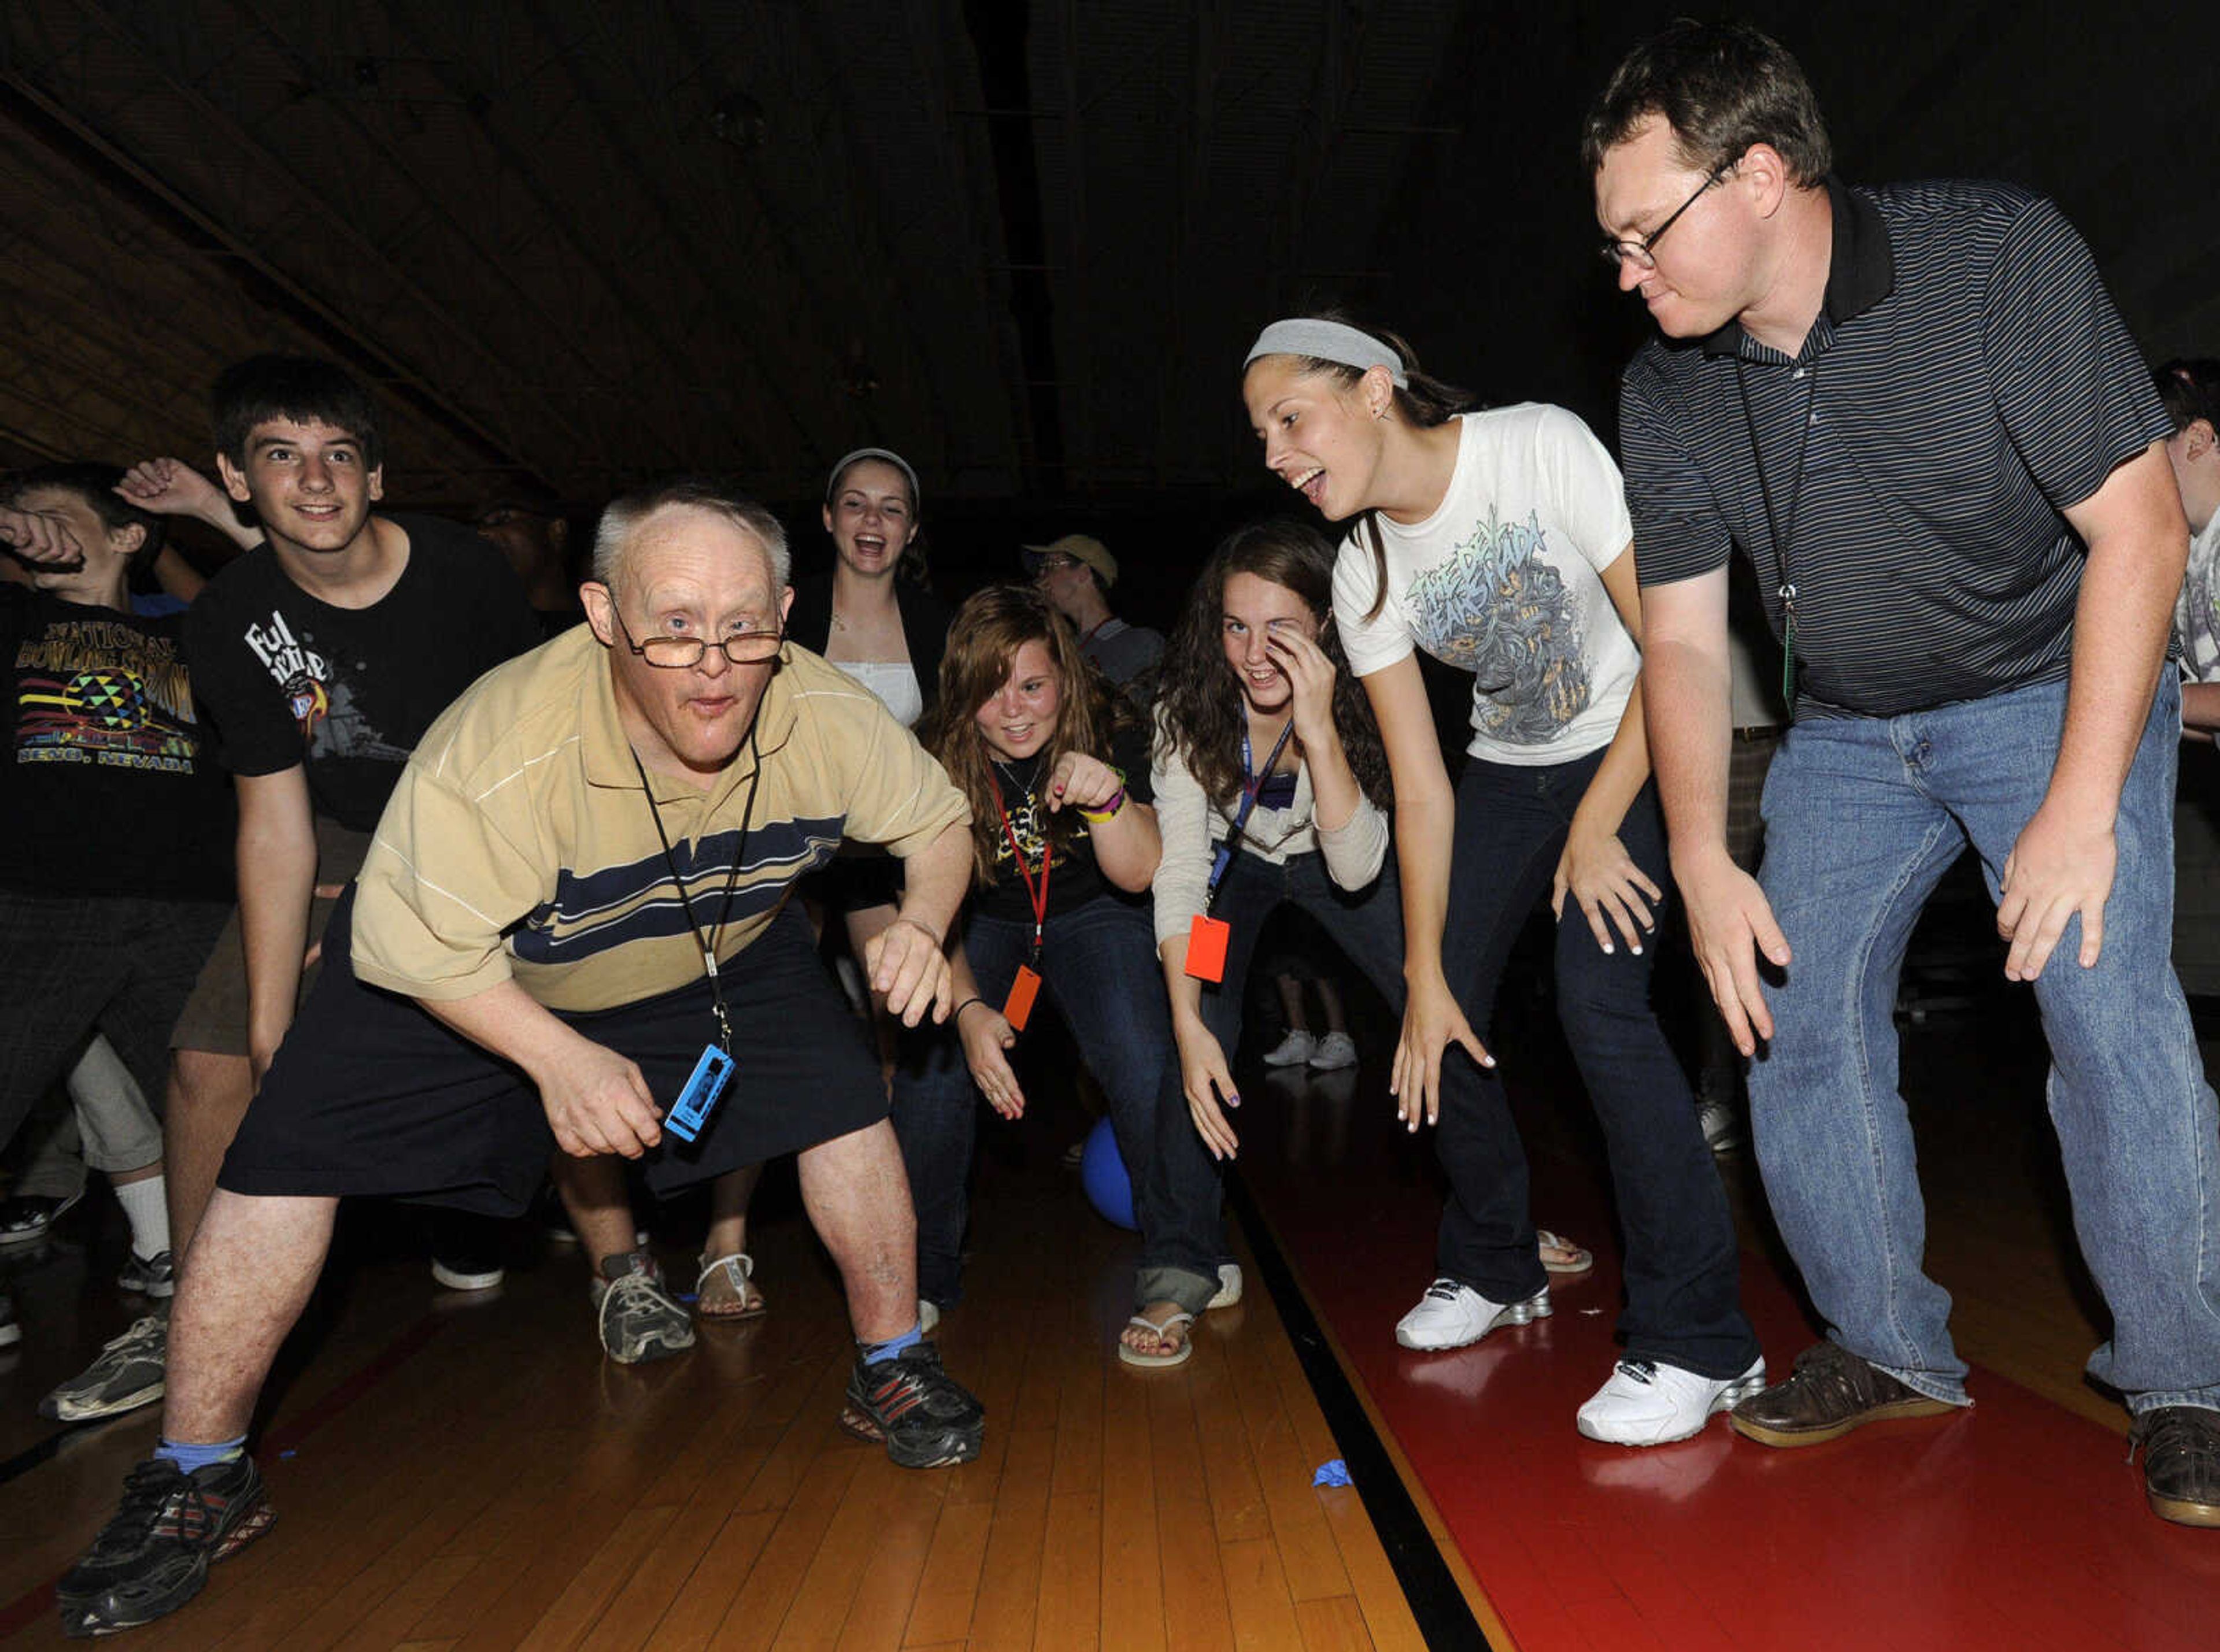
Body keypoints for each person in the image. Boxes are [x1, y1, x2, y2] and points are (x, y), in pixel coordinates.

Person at [57, 476, 989, 1638]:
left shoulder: (825, 711)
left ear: (785, 613)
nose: (713, 662)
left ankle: (891, 1362)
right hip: (467, 965)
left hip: (711, 941)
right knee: (279, 1157)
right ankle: (199, 1473)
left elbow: (938, 821)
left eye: (745, 626)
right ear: (602, 614)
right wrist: (556, 1057)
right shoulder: (507, 745)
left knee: (847, 1099)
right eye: (676, 625)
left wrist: (920, 919)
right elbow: (408, 943)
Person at [1586, 20, 2220, 1521]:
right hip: (1855, 731)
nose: (1625, 274)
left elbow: (2143, 527)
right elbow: (1678, 646)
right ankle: (1884, 1345)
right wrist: (1699, 853)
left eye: (1642, 233)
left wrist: (2077, 808)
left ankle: (2190, 1378)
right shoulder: (1671, 391)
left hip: (2051, 686)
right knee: (1788, 1018)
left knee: (2101, 990)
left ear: (1757, 173)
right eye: (1610, 245)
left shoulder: (1993, 262)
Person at [1240, 316, 1761, 1447]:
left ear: (1376, 389)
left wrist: (1596, 822)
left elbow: (1679, 650)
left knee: (1598, 1001)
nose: (1275, 452)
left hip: (1642, 731)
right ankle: (1496, 1258)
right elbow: (1422, 792)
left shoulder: (1538, 447)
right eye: (1261, 436)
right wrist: (1424, 972)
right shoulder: (1365, 566)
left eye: (1291, 419)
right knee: (1437, 1010)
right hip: (1511, 775)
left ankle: (1702, 1338)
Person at [119, 358, 541, 1307]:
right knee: (209, 1061)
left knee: (508, 1056)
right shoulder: (227, 616)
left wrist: (409, 893)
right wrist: (269, 1029)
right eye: (282, 454)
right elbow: (275, 822)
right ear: (235, 478)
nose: (315, 480)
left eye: (338, 454)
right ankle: (197, 1315)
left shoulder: (464, 572)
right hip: (343, 830)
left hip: (489, 826)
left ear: (375, 476)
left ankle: (602, 1259)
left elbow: (543, 753)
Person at [890, 584, 1196, 1364]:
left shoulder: (1119, 725)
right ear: (963, 691)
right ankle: (923, 1276)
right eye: (991, 691)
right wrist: (964, 1010)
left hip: (1095, 913)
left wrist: (1109, 799)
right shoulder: (928, 754)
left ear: (1065, 676)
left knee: (1139, 1052)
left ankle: (1184, 1262)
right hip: (983, 923)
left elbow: (1144, 874)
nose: (1015, 711)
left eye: (1032, 685)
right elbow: (929, 912)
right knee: (930, 1067)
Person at [0, 471, 233, 1397]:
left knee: (225, 1122)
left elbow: (283, 611)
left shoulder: (185, 635)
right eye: (27, 524)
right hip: (35, 907)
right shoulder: (15, 624)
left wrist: (198, 523)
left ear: (128, 536)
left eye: (62, 520)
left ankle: (205, 1312)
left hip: (190, 912)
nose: (41, 538)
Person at [1025, 533, 1165, 694]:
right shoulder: (1062, 650)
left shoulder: (1141, 644)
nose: (1040, 578)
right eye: (1041, 571)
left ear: (1083, 573)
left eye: (1050, 566)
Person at [471, 492, 583, 636]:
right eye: (479, 526)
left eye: (503, 519)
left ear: (557, 530)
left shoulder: (598, 629)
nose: (484, 533)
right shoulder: (483, 631)